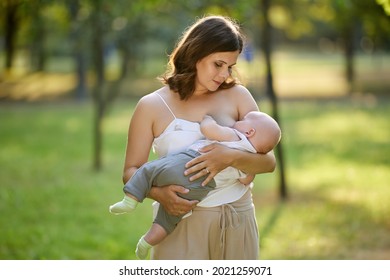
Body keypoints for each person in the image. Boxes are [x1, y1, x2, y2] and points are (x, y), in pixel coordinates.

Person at [120, 15, 276, 260]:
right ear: (196, 53)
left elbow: (268, 162)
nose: (224, 74)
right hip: (180, 223)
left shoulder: (238, 96)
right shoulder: (151, 105)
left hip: (236, 218)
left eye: (230, 67)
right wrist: (161, 196)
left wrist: (229, 157)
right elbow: (131, 170)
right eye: (218, 64)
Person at [109, 111, 281, 259]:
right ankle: (147, 241)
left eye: (242, 121)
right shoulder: (249, 162)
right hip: (201, 189)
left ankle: (130, 200)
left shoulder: (236, 136)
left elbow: (209, 130)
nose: (237, 121)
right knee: (168, 220)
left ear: (249, 131)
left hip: (188, 166)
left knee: (149, 170)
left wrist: (207, 119)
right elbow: (246, 180)